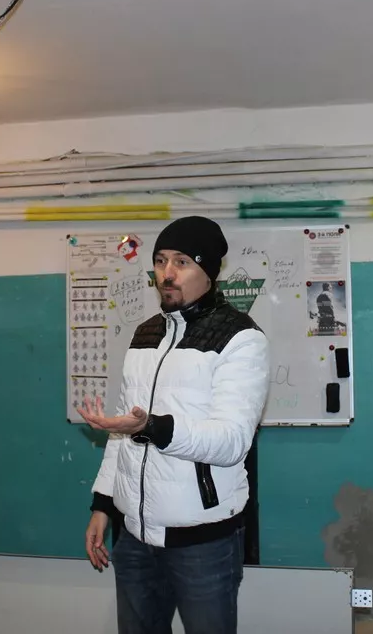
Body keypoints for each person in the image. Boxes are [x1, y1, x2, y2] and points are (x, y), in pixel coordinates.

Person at [77, 215, 270, 634]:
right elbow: (123, 431)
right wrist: (103, 505)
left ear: (208, 271)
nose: (166, 273)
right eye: (160, 260)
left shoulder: (241, 338)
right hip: (134, 538)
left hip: (203, 541)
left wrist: (153, 427)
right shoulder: (144, 334)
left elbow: (232, 441)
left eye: (181, 262)